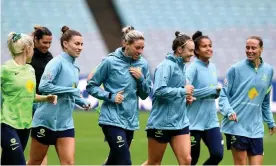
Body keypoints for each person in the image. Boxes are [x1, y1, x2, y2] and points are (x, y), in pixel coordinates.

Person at [86, 28, 152, 165]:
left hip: (130, 120)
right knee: (125, 162)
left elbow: (145, 95)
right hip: (111, 119)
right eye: (137, 48)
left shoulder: (143, 64)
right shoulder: (110, 62)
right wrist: (110, 96)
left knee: (114, 160)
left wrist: (141, 79)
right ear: (126, 44)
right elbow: (91, 86)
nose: (140, 52)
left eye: (142, 48)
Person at [27, 26, 90, 165]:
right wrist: (69, 91)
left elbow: (71, 91)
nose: (80, 47)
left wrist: (81, 102)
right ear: (65, 44)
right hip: (46, 120)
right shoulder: (56, 63)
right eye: (76, 44)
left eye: (81, 44)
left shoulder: (75, 67)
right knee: (35, 162)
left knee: (68, 163)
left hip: (65, 122)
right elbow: (44, 86)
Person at [1, 32, 57, 165]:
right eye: (32, 48)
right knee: (19, 161)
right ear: (27, 49)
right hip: (7, 124)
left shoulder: (30, 70)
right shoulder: (5, 69)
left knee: (8, 162)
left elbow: (31, 97)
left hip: (25, 126)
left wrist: (47, 98)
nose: (33, 52)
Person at [219, 36, 276, 165]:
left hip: (256, 128)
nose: (250, 51)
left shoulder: (268, 70)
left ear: (261, 49)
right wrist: (229, 111)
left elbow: (265, 101)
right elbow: (223, 96)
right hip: (236, 126)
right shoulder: (235, 69)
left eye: (253, 48)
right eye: (247, 47)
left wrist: (270, 122)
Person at [143, 31, 194, 165]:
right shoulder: (166, 66)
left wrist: (186, 98)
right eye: (190, 50)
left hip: (180, 122)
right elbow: (159, 91)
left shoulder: (182, 66)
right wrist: (183, 91)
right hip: (161, 123)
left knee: (186, 160)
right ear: (179, 49)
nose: (192, 54)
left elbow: (178, 93)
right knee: (154, 163)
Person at [186, 31, 223, 165]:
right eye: (204, 46)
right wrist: (211, 91)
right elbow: (185, 92)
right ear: (196, 50)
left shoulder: (212, 67)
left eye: (210, 45)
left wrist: (216, 93)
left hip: (211, 122)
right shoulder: (192, 68)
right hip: (193, 123)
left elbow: (212, 92)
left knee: (218, 154)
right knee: (192, 160)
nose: (209, 48)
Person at [27, 25, 53, 165]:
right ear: (35, 40)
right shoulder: (27, 55)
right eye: (44, 42)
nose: (47, 46)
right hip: (26, 104)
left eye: (49, 43)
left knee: (41, 146)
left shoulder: (49, 57)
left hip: (43, 105)